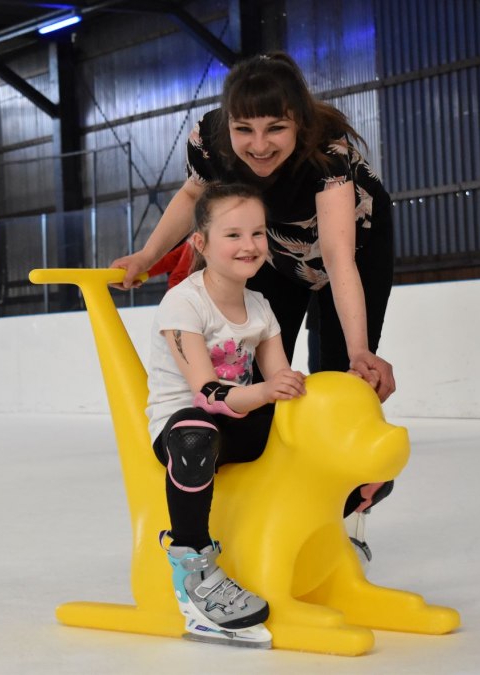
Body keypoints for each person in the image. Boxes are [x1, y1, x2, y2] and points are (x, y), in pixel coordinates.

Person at [114, 52, 397, 565]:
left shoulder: (328, 155)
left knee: (340, 382)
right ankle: (256, 511)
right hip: (274, 251)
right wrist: (147, 255)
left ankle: (347, 519)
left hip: (352, 252)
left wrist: (360, 350)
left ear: (299, 124)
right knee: (262, 388)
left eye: (276, 129)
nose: (259, 145)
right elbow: (192, 192)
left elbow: (337, 258)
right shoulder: (210, 136)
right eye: (245, 129)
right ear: (228, 122)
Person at [146, 182, 305, 648]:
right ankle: (192, 569)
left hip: (235, 421)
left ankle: (336, 526)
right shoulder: (183, 302)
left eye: (257, 233)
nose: (250, 245)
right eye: (233, 235)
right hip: (185, 425)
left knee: (319, 423)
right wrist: (266, 389)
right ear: (201, 243)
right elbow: (208, 392)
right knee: (196, 433)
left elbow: (280, 387)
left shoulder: (260, 306)